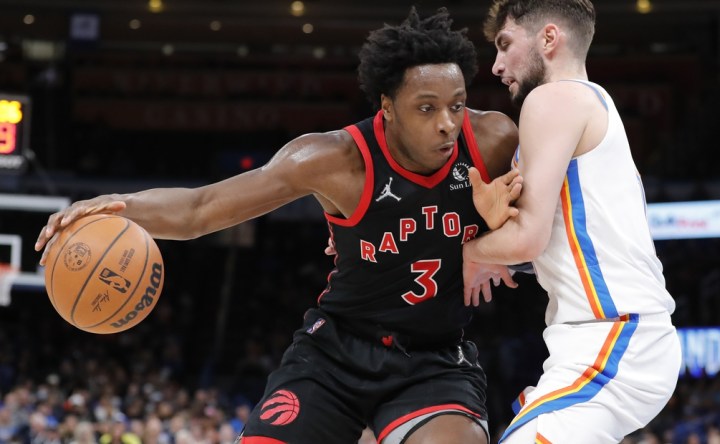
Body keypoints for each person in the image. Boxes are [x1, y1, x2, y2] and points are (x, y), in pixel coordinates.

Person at [35, 7, 523, 444]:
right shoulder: (332, 159)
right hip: (337, 353)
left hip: (434, 359)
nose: (447, 123)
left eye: (456, 104)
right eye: (427, 107)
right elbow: (201, 209)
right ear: (387, 106)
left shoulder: (494, 140)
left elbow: (559, 230)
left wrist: (498, 243)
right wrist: (112, 205)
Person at [461, 1, 682, 442]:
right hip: (606, 339)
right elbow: (560, 240)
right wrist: (497, 251)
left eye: (505, 45)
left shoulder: (552, 99)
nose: (497, 65)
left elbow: (527, 239)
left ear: (548, 39)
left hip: (614, 336)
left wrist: (465, 254)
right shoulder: (589, 101)